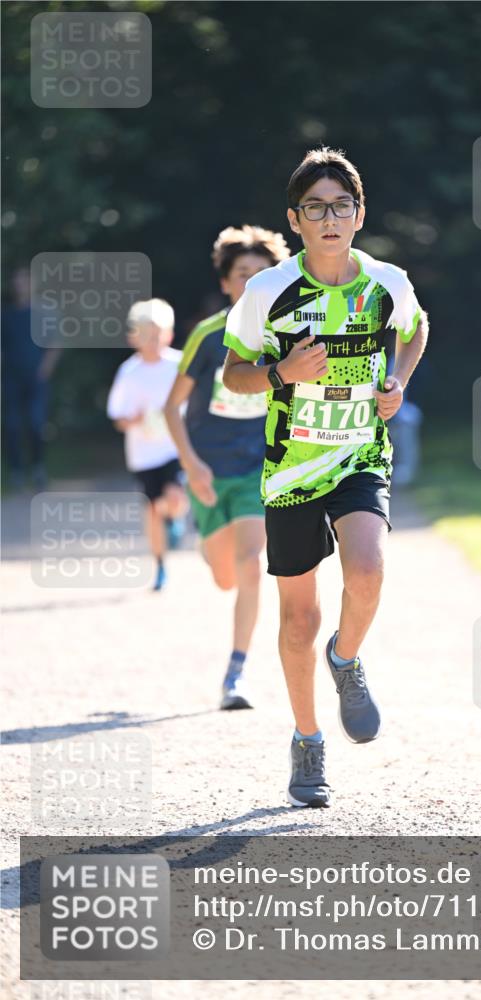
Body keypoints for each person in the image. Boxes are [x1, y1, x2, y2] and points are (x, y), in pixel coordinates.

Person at [222, 147, 428, 806]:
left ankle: (346, 657)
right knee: (298, 620)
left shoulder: (386, 283)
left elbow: (415, 329)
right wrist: (282, 372)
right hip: (290, 471)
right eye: (316, 208)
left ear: (359, 214)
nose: (330, 218)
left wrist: (397, 379)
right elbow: (233, 375)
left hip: (360, 454)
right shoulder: (266, 291)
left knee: (368, 569)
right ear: (296, 219)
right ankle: (307, 742)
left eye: (341, 206)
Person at [164, 225, 290, 710]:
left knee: (252, 564)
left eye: (262, 274)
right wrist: (191, 466)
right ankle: (202, 534)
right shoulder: (208, 335)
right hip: (209, 471)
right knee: (225, 575)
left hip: (260, 467)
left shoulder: (284, 335)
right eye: (242, 274)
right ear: (225, 282)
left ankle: (235, 673)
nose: (251, 282)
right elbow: (170, 408)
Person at [107, 299, 188, 591]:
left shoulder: (180, 365)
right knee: (153, 510)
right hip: (143, 454)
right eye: (146, 335)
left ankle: (175, 519)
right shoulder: (129, 373)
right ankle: (160, 564)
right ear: (133, 337)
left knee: (175, 496)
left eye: (157, 334)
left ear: (169, 334)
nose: (152, 341)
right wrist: (133, 420)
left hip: (174, 447)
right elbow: (117, 417)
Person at [1, 267, 61, 490]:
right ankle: (16, 471)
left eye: (24, 280)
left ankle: (38, 468)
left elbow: (55, 343)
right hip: (11, 379)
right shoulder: (6, 315)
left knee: (37, 424)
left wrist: (44, 370)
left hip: (36, 379)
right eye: (17, 281)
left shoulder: (43, 313)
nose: (20, 285)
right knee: (13, 426)